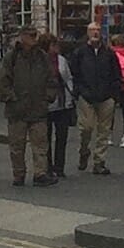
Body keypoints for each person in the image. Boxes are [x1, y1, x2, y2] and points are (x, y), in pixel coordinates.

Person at [0, 26, 51, 187]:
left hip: (38, 108)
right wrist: (11, 98)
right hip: (17, 109)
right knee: (16, 145)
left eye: (34, 35)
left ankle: (40, 173)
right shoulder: (12, 57)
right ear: (22, 37)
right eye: (30, 35)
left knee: (40, 144)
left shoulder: (42, 57)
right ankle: (19, 174)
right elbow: (3, 81)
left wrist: (47, 97)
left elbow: (51, 78)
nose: (33, 38)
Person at [73, 21, 122, 175]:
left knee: (104, 131)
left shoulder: (109, 53)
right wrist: (78, 91)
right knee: (86, 128)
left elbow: (116, 74)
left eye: (98, 30)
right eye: (92, 30)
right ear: (87, 33)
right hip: (86, 96)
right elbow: (74, 73)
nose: (95, 33)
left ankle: (99, 161)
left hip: (106, 96)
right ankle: (84, 150)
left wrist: (114, 95)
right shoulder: (80, 53)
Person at [46, 36, 76, 183]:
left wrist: (71, 93)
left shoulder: (62, 60)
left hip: (63, 102)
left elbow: (68, 77)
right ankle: (47, 166)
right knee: (46, 137)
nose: (57, 47)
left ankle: (59, 167)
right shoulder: (41, 60)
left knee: (62, 136)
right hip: (46, 104)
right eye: (53, 45)